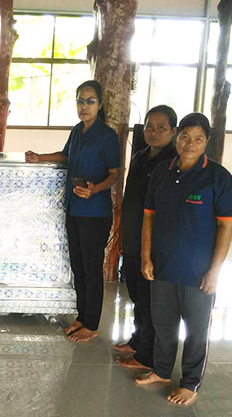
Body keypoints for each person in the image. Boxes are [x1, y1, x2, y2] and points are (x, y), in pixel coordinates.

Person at [135, 113, 232, 406]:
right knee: (163, 324)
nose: (191, 144)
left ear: (207, 141)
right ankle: (162, 371)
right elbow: (148, 217)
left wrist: (215, 271)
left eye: (198, 139)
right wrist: (146, 256)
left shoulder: (217, 177)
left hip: (198, 271)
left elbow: (226, 227)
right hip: (163, 265)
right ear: (177, 137)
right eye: (185, 137)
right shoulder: (162, 172)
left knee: (196, 330)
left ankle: (191, 383)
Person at [25, 80, 120, 343]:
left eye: (90, 101)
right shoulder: (77, 131)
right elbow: (66, 156)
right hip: (74, 208)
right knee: (78, 265)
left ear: (100, 104)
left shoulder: (107, 136)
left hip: (95, 212)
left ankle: (92, 324)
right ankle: (82, 315)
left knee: (91, 267)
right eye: (80, 100)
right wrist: (40, 157)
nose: (84, 106)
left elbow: (115, 173)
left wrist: (95, 188)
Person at [113, 105, 178, 370]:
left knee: (151, 300)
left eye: (161, 128)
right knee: (137, 295)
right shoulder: (140, 156)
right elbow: (130, 198)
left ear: (173, 132)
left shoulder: (173, 162)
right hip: (132, 239)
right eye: (150, 126)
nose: (154, 132)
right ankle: (137, 340)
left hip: (153, 244)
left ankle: (147, 356)